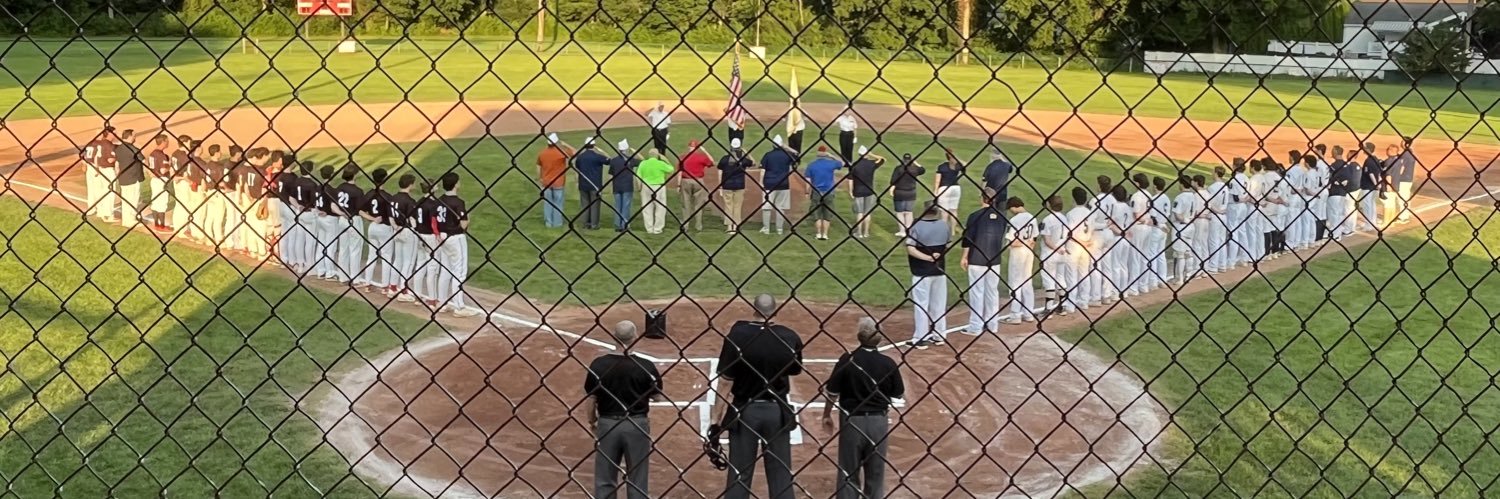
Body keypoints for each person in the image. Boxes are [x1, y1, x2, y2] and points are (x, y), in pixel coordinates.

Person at [711, 294, 804, 499]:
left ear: (753, 309)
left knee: (739, 475)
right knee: (781, 476)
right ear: (776, 310)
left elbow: (725, 382)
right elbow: (795, 370)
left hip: (745, 411)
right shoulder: (789, 337)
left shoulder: (737, 336)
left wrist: (715, 422)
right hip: (777, 411)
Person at [820, 317, 904, 499]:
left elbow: (832, 392)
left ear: (859, 337)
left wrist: (827, 414)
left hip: (852, 421)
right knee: (875, 473)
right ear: (880, 338)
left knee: (848, 472)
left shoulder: (847, 360)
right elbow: (898, 393)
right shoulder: (888, 363)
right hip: (878, 423)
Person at [585, 320, 662, 499]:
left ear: (614, 337)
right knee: (637, 477)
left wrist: (592, 422)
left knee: (605, 477)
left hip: (607, 424)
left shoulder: (599, 365)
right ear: (635, 337)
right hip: (636, 425)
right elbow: (657, 396)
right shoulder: (646, 366)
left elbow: (591, 399)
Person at [960, 187, 1008, 334]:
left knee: (977, 293)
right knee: (992, 292)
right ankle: (993, 325)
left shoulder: (975, 216)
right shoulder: (1002, 217)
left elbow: (968, 239)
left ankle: (975, 326)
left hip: (977, 259)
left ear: (982, 198)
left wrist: (964, 256)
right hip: (994, 260)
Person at [432, 172, 477, 317]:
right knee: (459, 271)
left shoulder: (438, 201)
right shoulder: (458, 202)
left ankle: (441, 302)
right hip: (456, 238)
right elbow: (463, 224)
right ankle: (459, 307)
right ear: (456, 184)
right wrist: (468, 219)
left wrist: (438, 233)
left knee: (446, 270)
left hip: (442, 237)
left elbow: (434, 220)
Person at [907, 202, 950, 349]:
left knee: (921, 305)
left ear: (924, 211)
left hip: (921, 272)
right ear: (937, 211)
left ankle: (921, 338)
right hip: (940, 271)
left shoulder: (916, 226)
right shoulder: (944, 225)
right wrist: (937, 256)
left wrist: (928, 258)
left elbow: (911, 249)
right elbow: (947, 245)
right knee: (939, 304)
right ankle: (939, 335)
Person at [358, 168, 394, 291]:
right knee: (386, 257)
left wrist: (372, 219)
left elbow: (360, 211)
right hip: (385, 228)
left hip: (372, 227)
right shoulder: (388, 197)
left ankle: (367, 283)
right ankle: (385, 286)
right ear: (385, 179)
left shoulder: (369, 194)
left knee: (371, 255)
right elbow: (391, 216)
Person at [1004, 197, 1038, 322]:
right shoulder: (1032, 218)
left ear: (1014, 206)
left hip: (1018, 253)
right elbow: (1034, 239)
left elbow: (1011, 242)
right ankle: (1028, 313)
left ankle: (1015, 315)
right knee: (1027, 281)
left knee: (1015, 282)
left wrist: (1018, 243)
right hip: (1029, 252)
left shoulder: (1014, 220)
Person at [1038, 195, 1071, 315]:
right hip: (1063, 252)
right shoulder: (1064, 218)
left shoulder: (1048, 219)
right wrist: (1063, 248)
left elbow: (1047, 240)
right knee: (1060, 278)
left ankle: (1048, 309)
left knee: (1049, 280)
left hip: (1050, 253)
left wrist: (1056, 248)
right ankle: (1061, 307)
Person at [1064, 188, 1096, 311]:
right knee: (1084, 274)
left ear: (1073, 198)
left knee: (1071, 275)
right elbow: (1092, 228)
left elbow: (1070, 233)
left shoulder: (1071, 214)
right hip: (1087, 245)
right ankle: (1084, 301)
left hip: (1074, 245)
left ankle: (1071, 304)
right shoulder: (1090, 213)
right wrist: (1087, 241)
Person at [237, 148, 272, 259]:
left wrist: (247, 197)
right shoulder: (262, 171)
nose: (267, 160)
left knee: (251, 225)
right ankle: (261, 252)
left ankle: (252, 250)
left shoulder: (246, 169)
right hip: (259, 199)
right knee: (261, 227)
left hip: (249, 199)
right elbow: (265, 188)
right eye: (266, 157)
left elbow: (244, 185)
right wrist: (263, 201)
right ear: (261, 156)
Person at [389, 174, 420, 300]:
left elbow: (390, 216)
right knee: (408, 261)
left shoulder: (393, 198)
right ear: (410, 185)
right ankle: (404, 289)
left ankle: (392, 287)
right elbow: (412, 219)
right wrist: (414, 228)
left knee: (397, 260)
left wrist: (395, 227)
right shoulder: (410, 201)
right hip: (407, 231)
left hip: (396, 230)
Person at [333, 166, 366, 282]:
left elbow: (333, 206)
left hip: (342, 220)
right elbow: (360, 211)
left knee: (343, 249)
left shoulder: (339, 188)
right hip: (354, 220)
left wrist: (341, 213)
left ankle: (342, 276)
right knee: (355, 249)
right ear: (354, 175)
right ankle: (355, 277)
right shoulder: (358, 191)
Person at [412, 182, 442, 305]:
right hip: (430, 236)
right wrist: (437, 235)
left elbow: (412, 217)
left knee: (420, 264)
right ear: (432, 189)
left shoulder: (419, 201)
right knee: (432, 267)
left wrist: (416, 229)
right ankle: (432, 298)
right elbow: (433, 222)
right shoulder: (433, 204)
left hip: (419, 234)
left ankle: (417, 295)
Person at [1171, 175, 1206, 285]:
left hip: (1181, 227)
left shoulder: (1180, 197)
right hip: (1191, 226)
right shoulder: (1194, 196)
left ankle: (1179, 279)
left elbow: (1177, 215)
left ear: (1181, 184)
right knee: (1188, 253)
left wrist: (1185, 220)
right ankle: (1188, 275)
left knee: (1180, 254)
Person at [804, 146, 844, 240]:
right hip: (829, 191)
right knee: (827, 214)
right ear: (825, 154)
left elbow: (808, 181)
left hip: (816, 192)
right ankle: (825, 234)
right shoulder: (831, 164)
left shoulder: (811, 165)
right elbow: (842, 163)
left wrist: (807, 192)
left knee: (816, 213)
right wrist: (831, 156)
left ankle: (818, 234)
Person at [759, 135, 796, 235]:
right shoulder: (787, 155)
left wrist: (761, 182)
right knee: (780, 207)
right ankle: (779, 229)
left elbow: (763, 170)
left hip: (769, 184)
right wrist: (786, 147)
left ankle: (766, 228)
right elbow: (797, 154)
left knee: (767, 206)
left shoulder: (768, 155)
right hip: (783, 184)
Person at [846, 146, 885, 239]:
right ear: (866, 154)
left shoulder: (854, 165)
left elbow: (850, 179)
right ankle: (866, 232)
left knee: (859, 212)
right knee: (867, 213)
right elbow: (883, 159)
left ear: (859, 154)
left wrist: (850, 191)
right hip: (869, 190)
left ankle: (859, 233)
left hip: (858, 191)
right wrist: (871, 154)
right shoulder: (871, 164)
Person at [82, 126, 119, 222]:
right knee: (105, 190)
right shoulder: (102, 144)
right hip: (98, 167)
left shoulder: (91, 143)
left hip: (95, 166)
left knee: (96, 189)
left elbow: (84, 155)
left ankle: (96, 210)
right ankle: (105, 213)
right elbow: (108, 158)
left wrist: (84, 165)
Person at [538, 133, 575, 229]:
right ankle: (557, 223)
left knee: (547, 203)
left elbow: (539, 166)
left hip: (546, 182)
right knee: (558, 203)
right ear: (556, 142)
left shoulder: (542, 153)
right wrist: (565, 144)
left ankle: (548, 223)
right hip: (558, 182)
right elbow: (574, 152)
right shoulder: (561, 153)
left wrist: (540, 178)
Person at [1126, 174, 1155, 296]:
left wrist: (1143, 220)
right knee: (1145, 256)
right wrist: (1148, 221)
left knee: (1135, 257)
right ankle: (1144, 285)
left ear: (1137, 183)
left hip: (1138, 227)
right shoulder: (1149, 195)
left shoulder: (1136, 196)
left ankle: (1133, 287)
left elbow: (1136, 215)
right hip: (1148, 227)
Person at [717, 138, 753, 233]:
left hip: (727, 185)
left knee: (728, 206)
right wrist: (746, 152)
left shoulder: (725, 159)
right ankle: (736, 226)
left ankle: (729, 227)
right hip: (739, 185)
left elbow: (720, 170)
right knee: (737, 206)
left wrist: (720, 186)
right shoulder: (743, 160)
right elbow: (753, 162)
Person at [637, 149, 676, 235]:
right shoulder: (660, 163)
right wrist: (666, 160)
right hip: (658, 187)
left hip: (646, 186)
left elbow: (638, 176)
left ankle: (649, 228)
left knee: (647, 208)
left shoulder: (643, 163)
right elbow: (671, 170)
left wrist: (639, 187)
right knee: (660, 208)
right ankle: (657, 229)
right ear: (657, 155)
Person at [678, 140, 715, 231]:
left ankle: (685, 225)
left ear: (689, 147)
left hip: (685, 181)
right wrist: (705, 151)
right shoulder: (701, 157)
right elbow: (712, 162)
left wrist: (678, 185)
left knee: (686, 204)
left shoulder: (683, 157)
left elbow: (680, 172)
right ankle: (698, 226)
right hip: (698, 181)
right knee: (698, 204)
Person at [574, 137, 610, 230]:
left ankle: (585, 224)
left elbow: (577, 167)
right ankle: (594, 224)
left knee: (585, 205)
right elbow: (609, 160)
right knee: (595, 205)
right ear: (593, 145)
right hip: (595, 185)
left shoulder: (580, 157)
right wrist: (601, 151)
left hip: (583, 184)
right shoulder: (597, 157)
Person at [887, 154, 925, 237]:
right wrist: (916, 163)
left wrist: (891, 189)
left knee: (900, 212)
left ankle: (902, 231)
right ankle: (908, 230)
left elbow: (893, 181)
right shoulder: (915, 169)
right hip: (911, 193)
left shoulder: (898, 169)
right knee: (908, 212)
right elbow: (923, 170)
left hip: (899, 192)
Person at [114, 129, 144, 227]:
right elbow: (143, 160)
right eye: (134, 136)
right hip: (133, 178)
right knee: (132, 200)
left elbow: (117, 164)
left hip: (123, 178)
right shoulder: (133, 149)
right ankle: (130, 220)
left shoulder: (118, 148)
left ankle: (126, 220)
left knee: (126, 200)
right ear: (130, 136)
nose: (135, 138)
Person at [609, 140, 641, 232]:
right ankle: (625, 225)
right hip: (627, 186)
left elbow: (611, 173)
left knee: (618, 206)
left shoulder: (614, 161)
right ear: (626, 149)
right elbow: (642, 161)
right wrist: (636, 152)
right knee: (626, 206)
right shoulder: (631, 160)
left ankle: (618, 225)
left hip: (616, 186)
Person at [145, 134, 174, 231]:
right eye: (167, 140)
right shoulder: (161, 155)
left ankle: (156, 224)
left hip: (154, 180)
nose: (168, 142)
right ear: (163, 141)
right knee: (162, 202)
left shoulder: (153, 153)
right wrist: (170, 166)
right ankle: (161, 226)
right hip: (161, 180)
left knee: (155, 201)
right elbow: (163, 170)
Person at [1227, 159, 1252, 268]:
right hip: (1244, 207)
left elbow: (1235, 197)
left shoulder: (1234, 179)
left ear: (1234, 167)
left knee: (1233, 232)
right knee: (1242, 231)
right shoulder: (1247, 178)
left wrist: (1241, 200)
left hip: (1235, 207)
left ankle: (1231, 262)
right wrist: (1244, 200)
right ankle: (1244, 259)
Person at [1148, 176, 1174, 284]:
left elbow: (1153, 217)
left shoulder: (1154, 199)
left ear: (1155, 186)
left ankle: (1153, 281)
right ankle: (1162, 279)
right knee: (1161, 254)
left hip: (1157, 228)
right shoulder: (1166, 198)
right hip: (1164, 227)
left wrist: (1158, 225)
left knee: (1152, 254)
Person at [1205, 167, 1230, 272]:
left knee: (1213, 241)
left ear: (1216, 173)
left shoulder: (1212, 187)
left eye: (1212, 171)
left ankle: (1213, 266)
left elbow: (1208, 204)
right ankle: (1222, 265)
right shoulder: (1226, 186)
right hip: (1224, 216)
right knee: (1221, 241)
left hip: (1215, 216)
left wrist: (1217, 211)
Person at [933, 150, 966, 230]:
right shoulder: (957, 166)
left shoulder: (942, 167)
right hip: (956, 188)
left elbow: (938, 181)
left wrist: (935, 191)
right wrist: (955, 157)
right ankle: (953, 230)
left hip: (944, 188)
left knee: (944, 212)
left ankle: (944, 230)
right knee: (953, 210)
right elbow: (965, 164)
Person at [1388, 137, 1418, 224]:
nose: (1401, 143)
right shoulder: (1409, 153)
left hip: (1404, 179)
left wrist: (1396, 176)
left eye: (1403, 142)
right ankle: (1404, 215)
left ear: (1406, 144)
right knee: (1404, 198)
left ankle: (1404, 217)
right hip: (1407, 178)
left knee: (1403, 199)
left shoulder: (1406, 155)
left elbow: (1402, 167)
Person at [1358, 142, 1384, 232]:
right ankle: (1373, 223)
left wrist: (1376, 184)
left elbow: (1371, 174)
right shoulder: (1376, 159)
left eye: (1365, 148)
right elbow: (1379, 173)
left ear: (1368, 149)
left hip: (1368, 187)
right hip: (1374, 187)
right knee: (1372, 205)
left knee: (1367, 206)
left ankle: (1368, 225)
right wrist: (1378, 184)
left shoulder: (1368, 160)